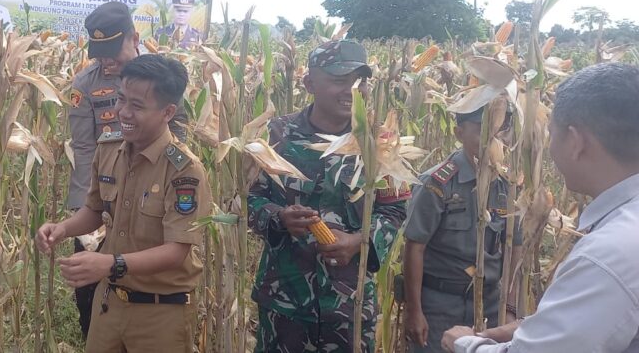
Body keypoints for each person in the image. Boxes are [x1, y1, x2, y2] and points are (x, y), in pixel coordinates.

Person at [442, 62, 639, 353]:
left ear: (575, 142)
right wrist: (534, 327)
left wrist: (464, 344)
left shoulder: (608, 255)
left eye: (551, 133)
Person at [37, 54, 209, 352]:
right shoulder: (109, 148)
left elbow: (177, 251)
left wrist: (110, 263)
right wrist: (62, 228)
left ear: (168, 112)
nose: (123, 112)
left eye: (137, 106)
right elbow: (95, 210)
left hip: (161, 311)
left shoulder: (184, 171)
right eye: (121, 99)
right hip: (110, 302)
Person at [247, 39, 409, 352]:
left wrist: (359, 240)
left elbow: (395, 209)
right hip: (285, 300)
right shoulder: (275, 135)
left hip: (350, 303)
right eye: (339, 80)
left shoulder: (381, 142)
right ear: (309, 84)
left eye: (359, 82)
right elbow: (246, 199)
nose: (351, 90)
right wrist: (279, 217)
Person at [67, 1, 187, 338]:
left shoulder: (162, 76)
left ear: (134, 38)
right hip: (105, 194)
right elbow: (84, 149)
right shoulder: (84, 84)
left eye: (112, 52)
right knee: (89, 289)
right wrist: (85, 213)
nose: (107, 61)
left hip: (152, 195)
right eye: (100, 54)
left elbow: (180, 131)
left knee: (144, 277)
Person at [404, 106, 520, 353]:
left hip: (490, 302)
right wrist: (414, 311)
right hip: (440, 303)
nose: (492, 140)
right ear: (459, 133)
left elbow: (514, 248)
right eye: (482, 131)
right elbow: (415, 247)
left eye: (499, 131)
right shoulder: (437, 183)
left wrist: (509, 308)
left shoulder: (508, 186)